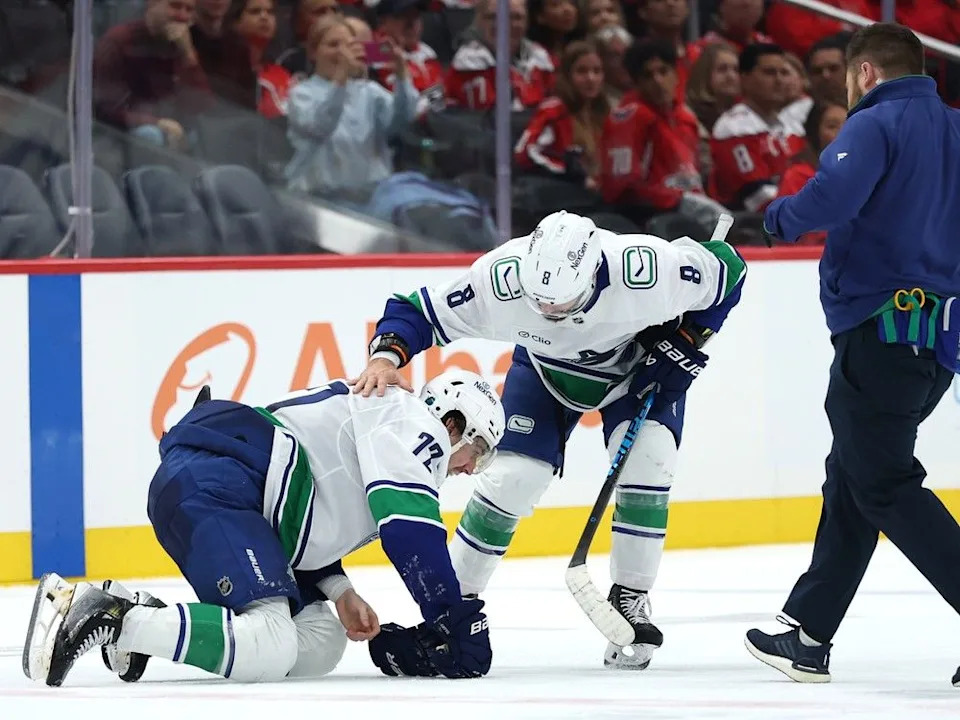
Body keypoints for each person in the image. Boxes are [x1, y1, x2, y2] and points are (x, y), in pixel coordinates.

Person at [352, 210, 746, 670]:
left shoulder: (644, 269)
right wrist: (385, 356)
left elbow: (730, 268)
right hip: (546, 373)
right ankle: (450, 611)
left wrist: (689, 335)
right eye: (541, 303)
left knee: (650, 462)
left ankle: (631, 597)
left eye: (563, 302)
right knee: (513, 479)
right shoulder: (502, 279)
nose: (551, 313)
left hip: (636, 372)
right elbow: (417, 310)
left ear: (595, 271)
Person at [23, 371, 505, 687]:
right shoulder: (416, 425)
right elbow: (411, 533)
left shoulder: (388, 421)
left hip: (227, 495)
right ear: (453, 421)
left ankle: (137, 626)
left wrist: (339, 590)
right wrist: (453, 617)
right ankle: (105, 614)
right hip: (220, 485)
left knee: (321, 641)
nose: (468, 468)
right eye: (477, 450)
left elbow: (308, 506)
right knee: (271, 642)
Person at [746, 23, 960, 686]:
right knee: (855, 478)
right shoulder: (955, 127)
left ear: (865, 73)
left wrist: (777, 217)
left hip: (882, 333)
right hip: (940, 340)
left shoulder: (878, 123)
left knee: (882, 483)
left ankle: (810, 633)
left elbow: (831, 197)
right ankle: (809, 633)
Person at [284, 14, 417, 204]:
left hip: (370, 196)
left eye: (348, 46)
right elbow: (320, 126)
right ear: (313, 52)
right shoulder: (301, 94)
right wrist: (341, 79)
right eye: (333, 45)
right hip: (319, 199)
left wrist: (402, 74)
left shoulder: (369, 91)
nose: (342, 53)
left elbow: (403, 120)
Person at [600, 39, 726, 230]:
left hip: (690, 207)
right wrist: (675, 200)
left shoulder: (686, 118)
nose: (658, 81)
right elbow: (620, 188)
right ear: (636, 82)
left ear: (676, 75)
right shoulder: (630, 117)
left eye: (663, 71)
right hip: (651, 215)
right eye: (648, 76)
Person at [92, 0, 212, 149]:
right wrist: (154, 122)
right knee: (150, 135)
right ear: (152, 3)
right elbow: (103, 107)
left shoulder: (180, 44)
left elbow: (201, 106)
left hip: (170, 130)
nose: (182, 16)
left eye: (189, 10)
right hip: (117, 136)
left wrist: (188, 55)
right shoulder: (120, 40)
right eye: (175, 6)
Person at [710, 43, 805, 212]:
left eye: (783, 73)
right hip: (753, 228)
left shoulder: (793, 125)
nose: (779, 80)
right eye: (769, 73)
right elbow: (756, 196)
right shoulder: (733, 127)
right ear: (745, 78)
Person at [514, 40, 609, 187]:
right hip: (564, 195)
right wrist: (572, 174)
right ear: (567, 75)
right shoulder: (553, 110)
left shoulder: (604, 113)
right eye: (582, 71)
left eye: (597, 71)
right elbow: (526, 153)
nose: (591, 78)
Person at [445, 0, 555, 112]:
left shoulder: (542, 58)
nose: (506, 24)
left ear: (527, 22)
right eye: (493, 17)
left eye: (517, 17)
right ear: (478, 22)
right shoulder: (466, 64)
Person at [773, 98, 846, 246]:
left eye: (849, 125)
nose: (842, 133)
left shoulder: (866, 177)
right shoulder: (797, 178)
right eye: (832, 126)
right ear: (814, 134)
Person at [228, 0, 293, 118]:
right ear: (235, 22)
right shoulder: (225, 68)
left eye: (270, 12)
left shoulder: (282, 73)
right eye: (255, 12)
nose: (264, 17)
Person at [685, 41, 739, 133]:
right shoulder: (691, 116)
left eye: (736, 69)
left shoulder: (741, 113)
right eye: (722, 69)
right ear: (705, 73)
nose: (731, 76)